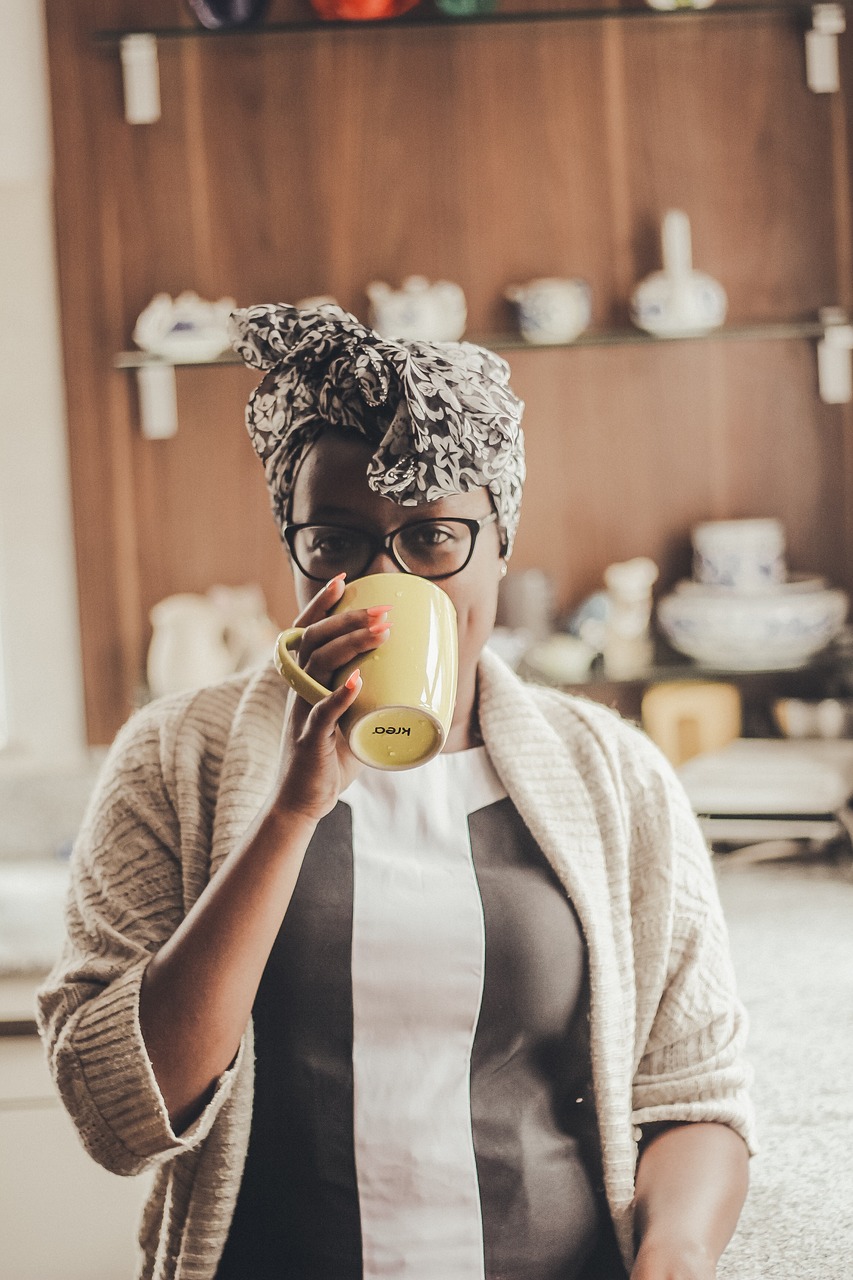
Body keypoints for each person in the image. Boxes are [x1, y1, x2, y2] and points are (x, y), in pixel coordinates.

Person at [38, 303, 755, 1280]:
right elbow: (118, 1114)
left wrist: (672, 1249)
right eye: (335, 541)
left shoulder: (612, 773)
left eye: (430, 536)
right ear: (292, 548)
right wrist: (290, 812)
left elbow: (694, 1090)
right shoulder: (174, 759)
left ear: (500, 541)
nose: (385, 579)